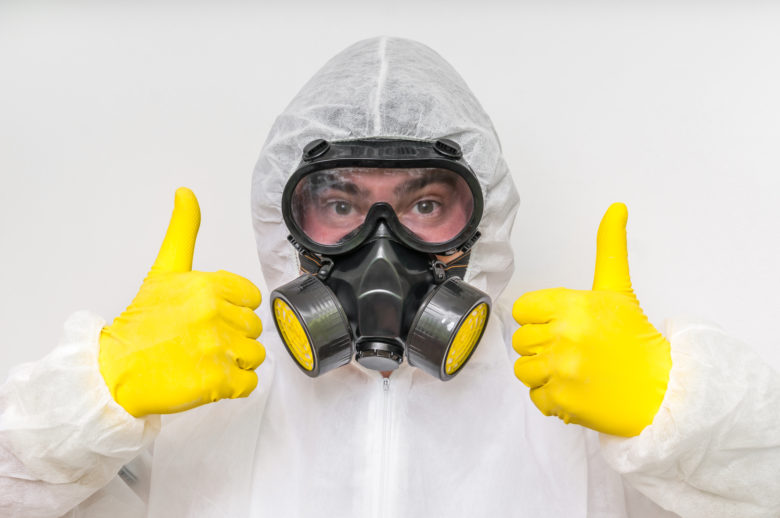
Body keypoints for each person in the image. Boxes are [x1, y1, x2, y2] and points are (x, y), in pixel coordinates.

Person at [1, 37, 779, 518]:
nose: (383, 245)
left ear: (485, 218)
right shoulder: (201, 386)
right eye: (340, 202)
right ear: (286, 222)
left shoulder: (576, 393)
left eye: (427, 202)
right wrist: (89, 400)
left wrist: (685, 422)